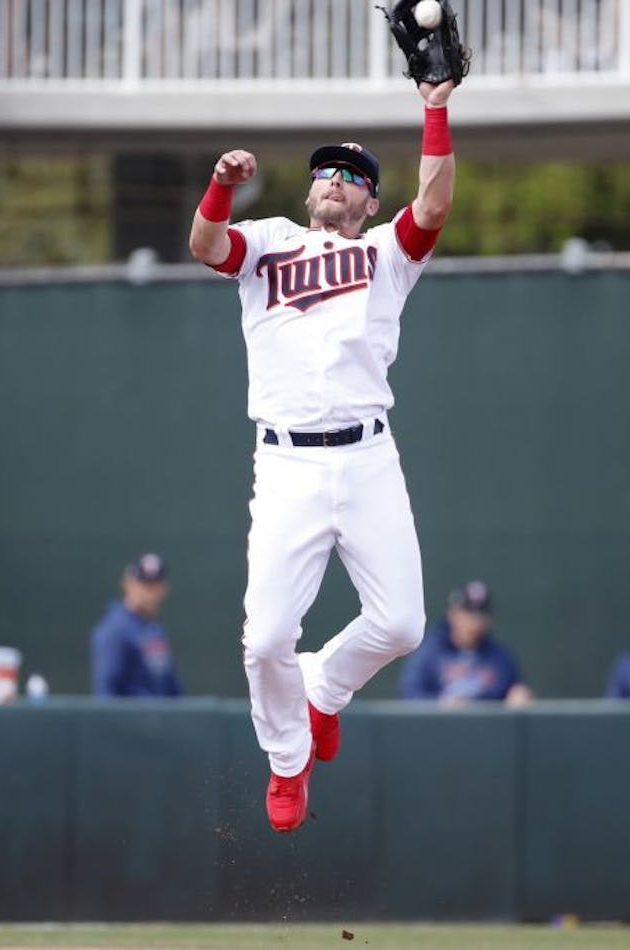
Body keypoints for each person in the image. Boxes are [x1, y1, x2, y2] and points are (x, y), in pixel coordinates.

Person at [187, 78, 459, 832]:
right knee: (266, 638)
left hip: (368, 456)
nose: (336, 181)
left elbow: (434, 205)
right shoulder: (271, 242)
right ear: (310, 191)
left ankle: (326, 690)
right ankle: (285, 759)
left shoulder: (385, 255)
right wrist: (219, 186)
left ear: (371, 203)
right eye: (326, 173)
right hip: (286, 464)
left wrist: (434, 108)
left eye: (354, 178)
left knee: (403, 624)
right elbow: (207, 246)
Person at [400, 580, 533, 707]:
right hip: (441, 727)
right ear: (453, 614)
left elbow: (516, 692)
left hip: (486, 728)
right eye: (468, 613)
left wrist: (518, 696)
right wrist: (441, 704)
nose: (474, 622)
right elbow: (410, 695)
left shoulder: (500, 658)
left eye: (480, 615)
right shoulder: (429, 651)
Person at [89, 552, 182, 698]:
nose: (149, 593)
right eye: (144, 584)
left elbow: (172, 688)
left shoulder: (156, 630)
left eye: (154, 586)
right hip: (133, 720)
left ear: (164, 589)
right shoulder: (114, 630)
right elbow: (106, 693)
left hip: (163, 719)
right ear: (127, 584)